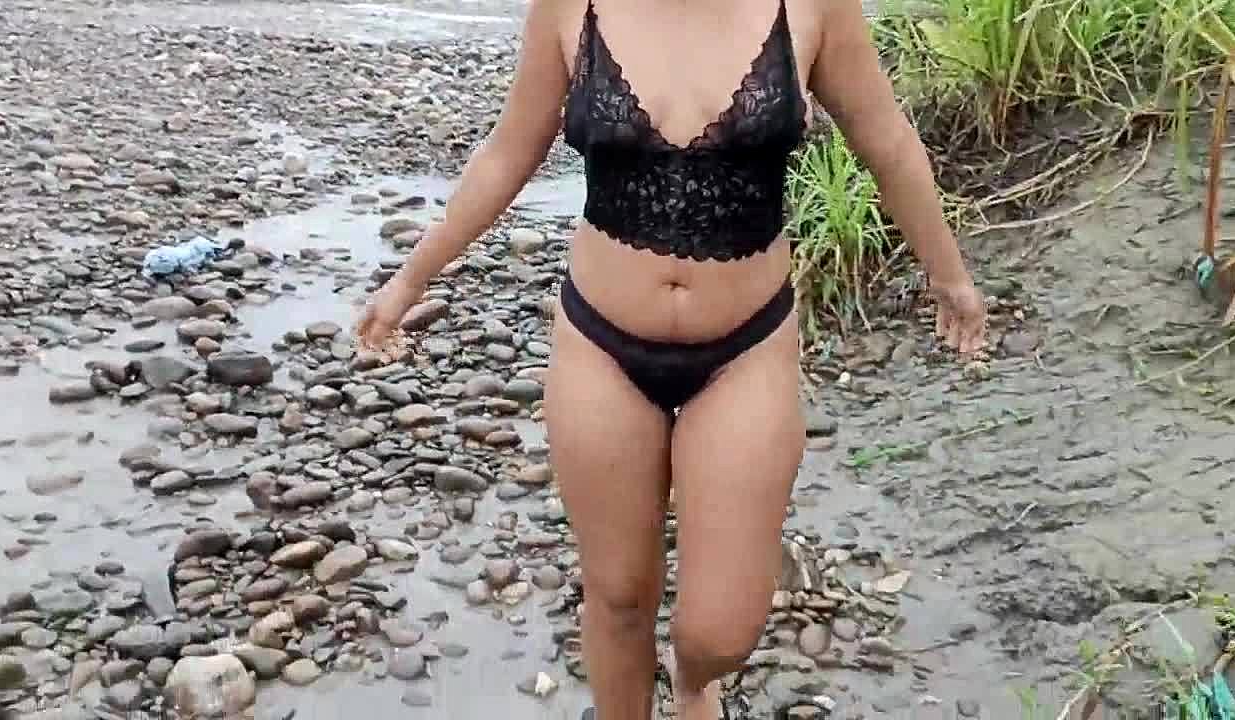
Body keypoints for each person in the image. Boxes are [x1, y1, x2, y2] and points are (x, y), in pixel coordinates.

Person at [356, 0, 986, 717]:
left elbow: (888, 140)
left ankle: (693, 682)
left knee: (721, 631)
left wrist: (950, 277)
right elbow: (508, 152)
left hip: (746, 347)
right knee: (619, 595)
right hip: (600, 343)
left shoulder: (813, 7)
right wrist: (411, 279)